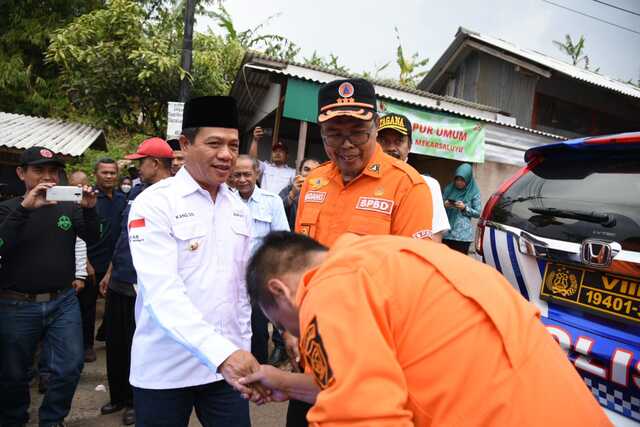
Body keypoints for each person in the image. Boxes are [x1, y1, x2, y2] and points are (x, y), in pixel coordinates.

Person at [240, 231, 611, 426]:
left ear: (280, 291)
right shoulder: (388, 259)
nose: (295, 334)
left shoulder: (330, 286)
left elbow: (362, 418)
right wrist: (286, 383)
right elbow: (374, 380)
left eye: (282, 324)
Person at [285, 78, 434, 427]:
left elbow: (414, 288)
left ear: (376, 127)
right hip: (312, 347)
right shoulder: (315, 182)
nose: (346, 144)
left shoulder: (408, 187)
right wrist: (291, 329)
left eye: (358, 132)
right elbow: (296, 264)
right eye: (334, 134)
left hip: (370, 358)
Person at [127, 96, 263, 427]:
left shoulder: (238, 208)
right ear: (185, 145)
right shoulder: (155, 203)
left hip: (226, 372)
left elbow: (241, 291)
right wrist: (224, 355)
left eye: (233, 144)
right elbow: (162, 293)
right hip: (165, 369)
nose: (226, 154)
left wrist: (242, 349)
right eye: (214, 143)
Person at [0, 147, 99, 427]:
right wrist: (23, 210)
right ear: (21, 174)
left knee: (70, 366)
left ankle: (52, 419)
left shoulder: (67, 206)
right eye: (38, 171)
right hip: (15, 304)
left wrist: (90, 211)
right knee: (13, 374)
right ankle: (13, 419)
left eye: (53, 172)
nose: (48, 178)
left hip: (63, 301)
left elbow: (93, 236)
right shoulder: (7, 209)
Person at [97, 138, 174, 426]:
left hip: (144, 286)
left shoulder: (174, 196)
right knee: (116, 343)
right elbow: (123, 236)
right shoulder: (137, 193)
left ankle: (135, 401)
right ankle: (117, 395)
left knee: (138, 346)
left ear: (155, 163)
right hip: (120, 278)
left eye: (141, 162)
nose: (137, 167)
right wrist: (109, 272)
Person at [231, 155, 290, 367]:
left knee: (258, 330)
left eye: (247, 174)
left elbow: (281, 240)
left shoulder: (271, 201)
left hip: (258, 279)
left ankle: (260, 375)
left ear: (257, 173)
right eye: (237, 174)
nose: (242, 179)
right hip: (230, 278)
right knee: (232, 329)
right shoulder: (225, 200)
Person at [80, 158, 127, 362]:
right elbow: (79, 233)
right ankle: (86, 345)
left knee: (115, 304)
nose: (109, 176)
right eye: (104, 172)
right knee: (88, 307)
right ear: (95, 174)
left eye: (112, 172)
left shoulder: (121, 199)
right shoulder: (88, 200)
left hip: (115, 261)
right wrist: (85, 262)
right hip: (91, 263)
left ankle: (106, 334)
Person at [377, 113, 450, 242]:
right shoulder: (362, 181)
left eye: (399, 141)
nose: (391, 148)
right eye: (384, 141)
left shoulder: (428, 185)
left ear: (409, 145)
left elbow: (435, 239)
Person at [442, 163, 481, 254]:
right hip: (446, 233)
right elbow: (438, 206)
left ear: (468, 179)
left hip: (462, 237)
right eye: (457, 179)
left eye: (462, 180)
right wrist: (444, 205)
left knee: (459, 264)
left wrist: (465, 208)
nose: (459, 182)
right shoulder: (449, 189)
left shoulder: (474, 192)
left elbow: (477, 213)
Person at [249, 126, 296, 194]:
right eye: (275, 151)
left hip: (280, 203)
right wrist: (255, 140)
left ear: (287, 156)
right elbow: (252, 160)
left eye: (281, 151)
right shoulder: (265, 167)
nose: (277, 153)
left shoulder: (292, 172)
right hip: (262, 202)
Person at [278, 158, 320, 230]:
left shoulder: (324, 192)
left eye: (315, 171)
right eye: (307, 169)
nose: (310, 174)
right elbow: (276, 211)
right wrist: (293, 194)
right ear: (300, 171)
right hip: (291, 236)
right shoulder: (289, 189)